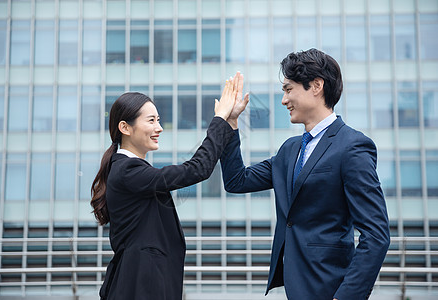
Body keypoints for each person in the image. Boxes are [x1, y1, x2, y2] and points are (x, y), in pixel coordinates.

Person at [220, 49, 390, 300]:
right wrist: (231, 122)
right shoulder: (290, 150)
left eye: (288, 90)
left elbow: (376, 235)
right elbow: (237, 181)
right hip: (295, 286)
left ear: (316, 86)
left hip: (330, 287)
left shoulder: (352, 147)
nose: (283, 100)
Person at [91, 73, 242, 300]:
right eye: (151, 121)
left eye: (158, 120)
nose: (159, 128)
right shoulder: (127, 171)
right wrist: (219, 119)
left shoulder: (128, 169)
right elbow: (196, 169)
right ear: (125, 127)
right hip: (141, 285)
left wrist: (229, 121)